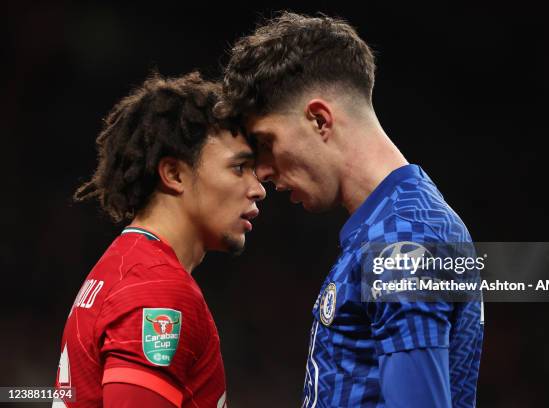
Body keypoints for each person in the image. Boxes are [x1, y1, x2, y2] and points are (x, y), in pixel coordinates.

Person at [217, 12, 483, 408]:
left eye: (267, 143)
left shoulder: (403, 240)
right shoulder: (390, 225)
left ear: (319, 120)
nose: (265, 172)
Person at [53, 72, 265, 408]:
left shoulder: (125, 267)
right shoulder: (156, 290)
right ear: (174, 174)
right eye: (239, 168)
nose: (258, 188)